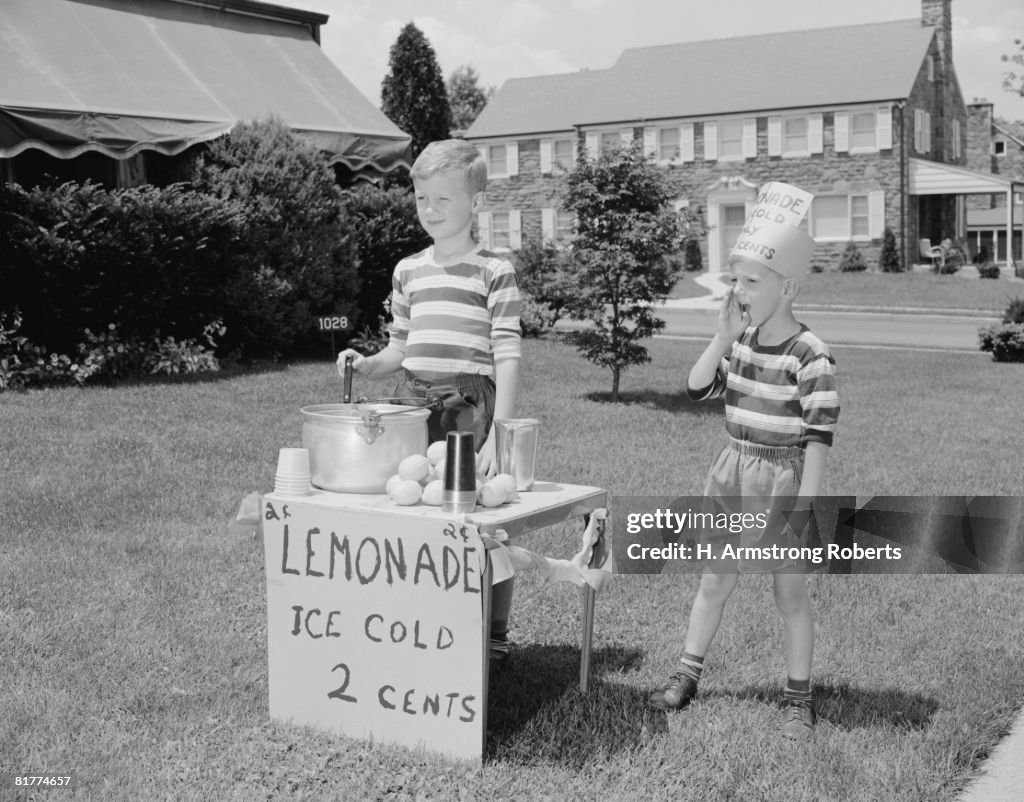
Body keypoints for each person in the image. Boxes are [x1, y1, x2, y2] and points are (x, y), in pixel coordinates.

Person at [649, 182, 839, 740]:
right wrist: (720, 338)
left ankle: (798, 695)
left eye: (752, 281)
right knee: (715, 579)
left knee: (789, 592)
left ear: (790, 286)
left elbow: (819, 437)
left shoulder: (812, 355)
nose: (739, 290)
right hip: (732, 473)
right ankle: (688, 671)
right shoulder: (739, 343)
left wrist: (805, 503)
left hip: (783, 480)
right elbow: (694, 387)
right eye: (736, 279)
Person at [337, 139, 522, 665]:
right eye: (422, 198)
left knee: (481, 519)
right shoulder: (407, 270)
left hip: (469, 403)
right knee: (413, 503)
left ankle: (493, 632)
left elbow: (507, 356)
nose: (431, 210)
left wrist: (500, 433)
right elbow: (400, 347)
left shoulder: (494, 270)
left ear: (476, 204)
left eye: (443, 199)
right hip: (413, 401)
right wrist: (369, 364)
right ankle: (428, 622)